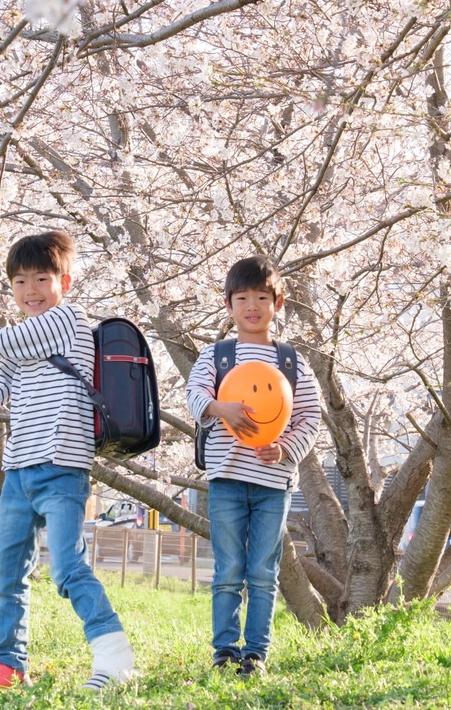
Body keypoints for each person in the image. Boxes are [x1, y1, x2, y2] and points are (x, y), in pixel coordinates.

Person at [0, 229, 135, 692]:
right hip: (20, 473)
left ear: (64, 283)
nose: (31, 291)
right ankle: (8, 664)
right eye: (20, 282)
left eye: (42, 279)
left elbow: (6, 342)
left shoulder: (66, 321)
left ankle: (114, 659)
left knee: (67, 566)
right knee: (4, 573)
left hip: (62, 469)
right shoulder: (24, 343)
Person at [185, 256, 322, 677]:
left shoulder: (291, 361)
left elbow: (310, 417)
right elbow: (194, 395)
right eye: (242, 297)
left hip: (273, 483)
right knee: (228, 570)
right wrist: (218, 405)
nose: (252, 306)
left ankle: (256, 654)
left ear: (277, 303)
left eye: (262, 297)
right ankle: (224, 652)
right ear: (229, 304)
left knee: (263, 571)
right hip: (226, 478)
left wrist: (286, 450)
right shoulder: (217, 355)